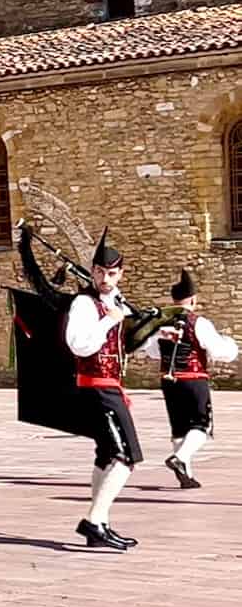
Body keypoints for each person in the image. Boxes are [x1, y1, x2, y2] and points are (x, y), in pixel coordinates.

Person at [56, 229, 145, 550]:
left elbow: (129, 341)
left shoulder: (117, 301)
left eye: (112, 273)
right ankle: (94, 520)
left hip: (111, 387)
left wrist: (154, 333)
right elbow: (78, 345)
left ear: (120, 273)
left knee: (107, 453)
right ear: (92, 271)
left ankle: (101, 523)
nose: (105, 278)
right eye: (100, 272)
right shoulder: (83, 303)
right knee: (126, 456)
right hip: (96, 389)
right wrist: (110, 320)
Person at [140, 269, 235, 490]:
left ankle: (187, 475)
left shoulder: (160, 325)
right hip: (193, 379)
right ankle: (180, 458)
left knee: (179, 428)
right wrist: (230, 345)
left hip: (168, 381)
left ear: (174, 300)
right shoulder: (197, 322)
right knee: (202, 425)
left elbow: (153, 352)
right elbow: (218, 350)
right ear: (193, 299)